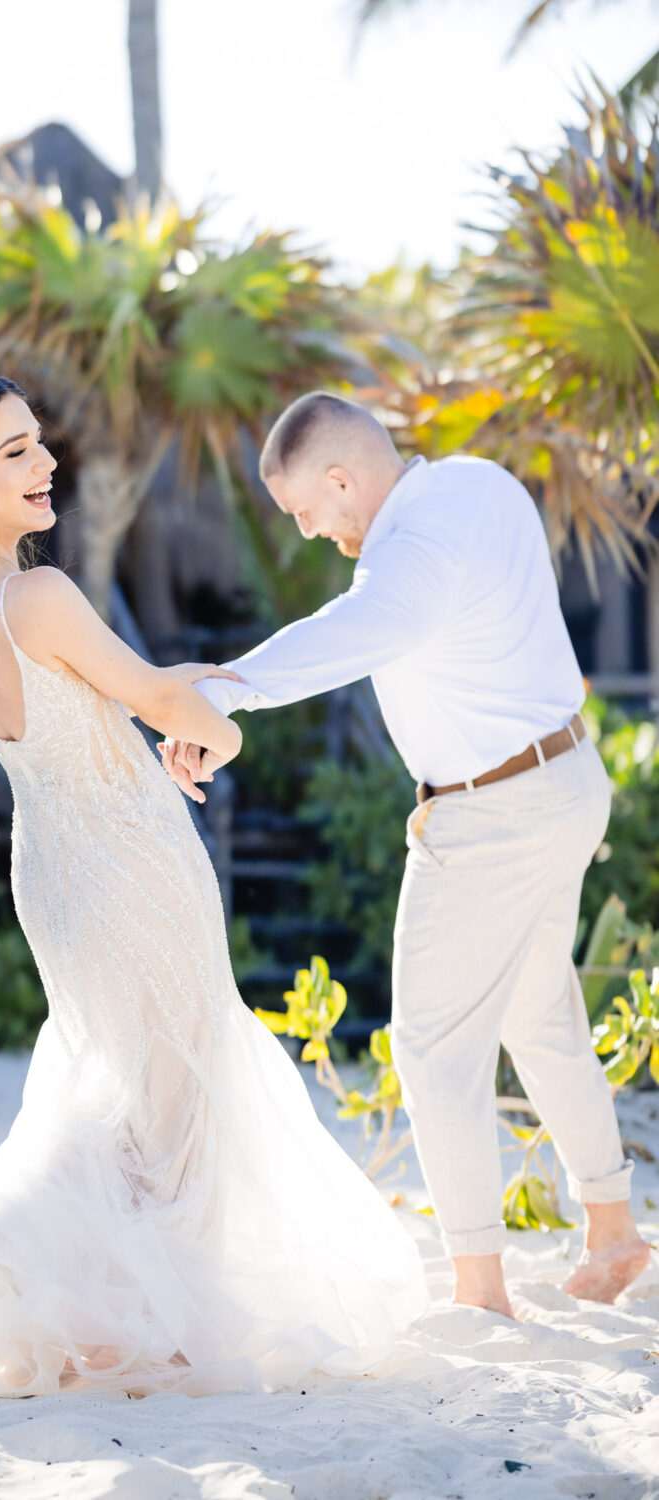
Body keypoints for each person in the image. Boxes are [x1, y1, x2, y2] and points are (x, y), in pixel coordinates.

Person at [0, 375, 428, 1400]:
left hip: (57, 871)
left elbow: (112, 698)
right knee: (173, 1104)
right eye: (15, 452)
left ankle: (127, 1314)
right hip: (130, 864)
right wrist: (218, 736)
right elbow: (154, 700)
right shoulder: (38, 596)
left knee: (125, 1095)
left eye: (37, 442)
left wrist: (182, 700)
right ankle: (144, 1323)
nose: (45, 463)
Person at [164, 391, 651, 1319]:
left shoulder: (409, 553)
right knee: (539, 1013)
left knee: (431, 1049)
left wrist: (223, 691)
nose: (309, 533)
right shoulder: (480, 483)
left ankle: (480, 1292)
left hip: (492, 817)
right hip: (566, 783)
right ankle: (612, 1227)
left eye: (307, 510)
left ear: (342, 480)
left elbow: (353, 633)